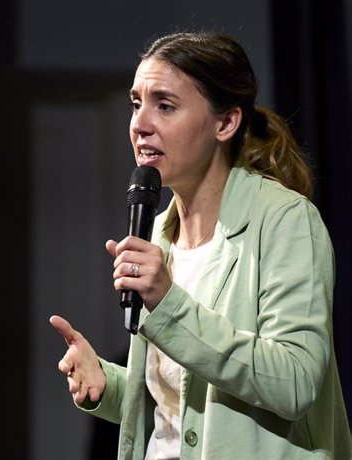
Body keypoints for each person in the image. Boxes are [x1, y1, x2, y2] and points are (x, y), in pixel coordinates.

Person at [50, 31, 352, 459]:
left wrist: (168, 302)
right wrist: (109, 384)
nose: (140, 123)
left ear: (225, 123)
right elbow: (186, 405)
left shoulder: (285, 221)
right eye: (136, 104)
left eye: (165, 105)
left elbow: (295, 383)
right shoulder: (158, 232)